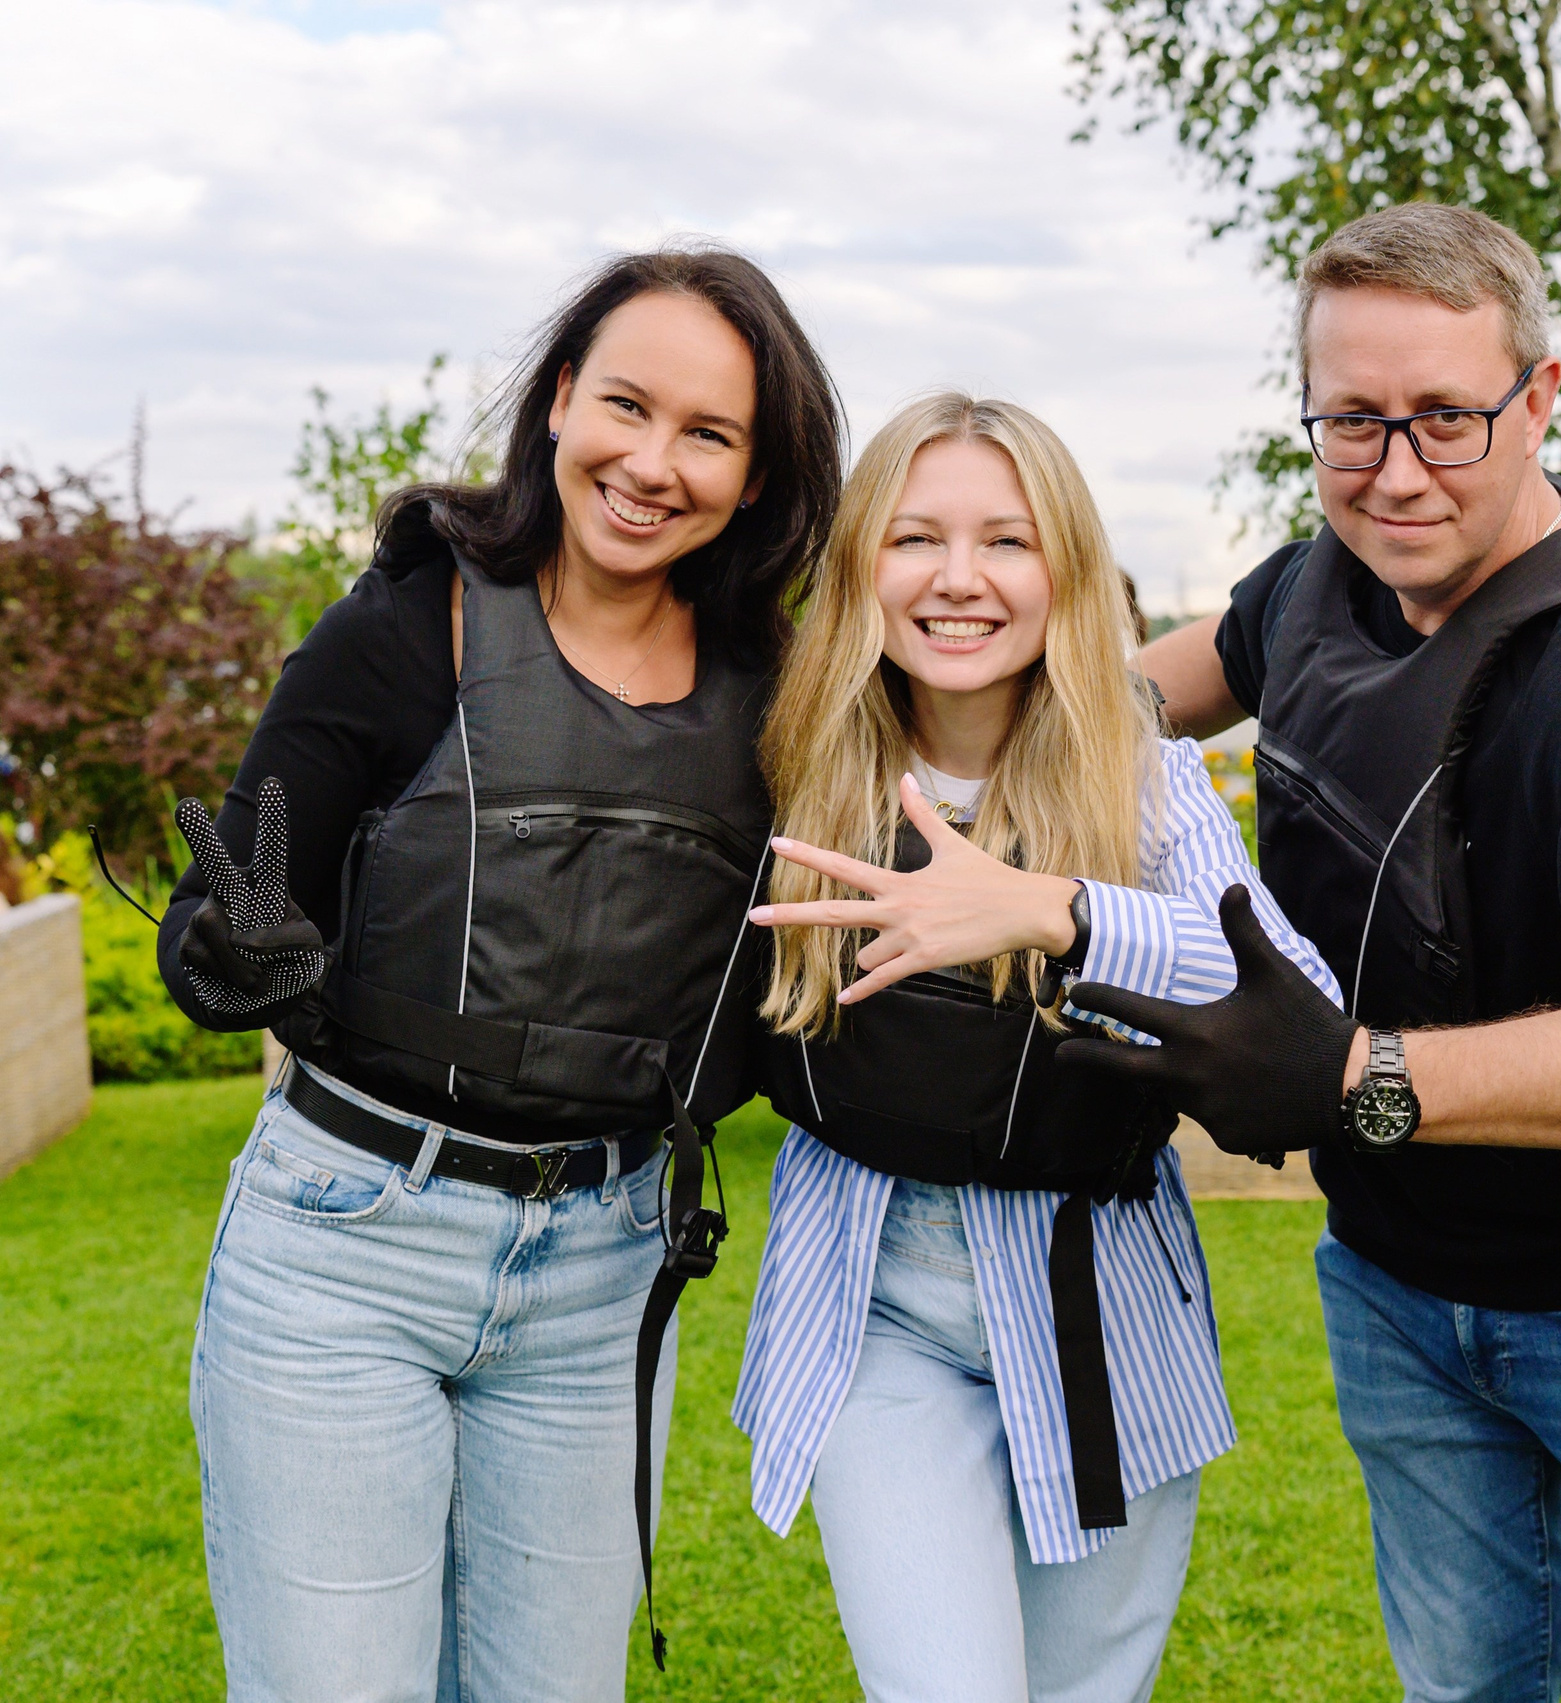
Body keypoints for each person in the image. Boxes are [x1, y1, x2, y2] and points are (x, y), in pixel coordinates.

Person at [1075, 203, 1561, 1703]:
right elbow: (1144, 696)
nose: (1397, 473)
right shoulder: (1319, 583)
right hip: (1400, 1289)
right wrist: (957, 749)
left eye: (1447, 420)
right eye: (1353, 423)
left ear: (1539, 400)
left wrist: (1360, 1076)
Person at [162, 246, 843, 1702]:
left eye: (709, 434)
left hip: (603, 1273)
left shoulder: (780, 698)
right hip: (348, 1248)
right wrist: (233, 956)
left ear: (756, 474)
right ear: (554, 403)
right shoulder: (406, 629)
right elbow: (211, 920)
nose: (653, 463)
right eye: (627, 406)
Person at [730, 392, 1336, 1703]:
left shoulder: (1140, 777)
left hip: (1103, 1303)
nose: (960, 579)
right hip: (873, 1302)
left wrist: (1059, 911)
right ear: (859, 569)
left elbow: (1300, 1007)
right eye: (915, 539)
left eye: (1006, 541)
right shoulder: (790, 761)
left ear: (1062, 571)